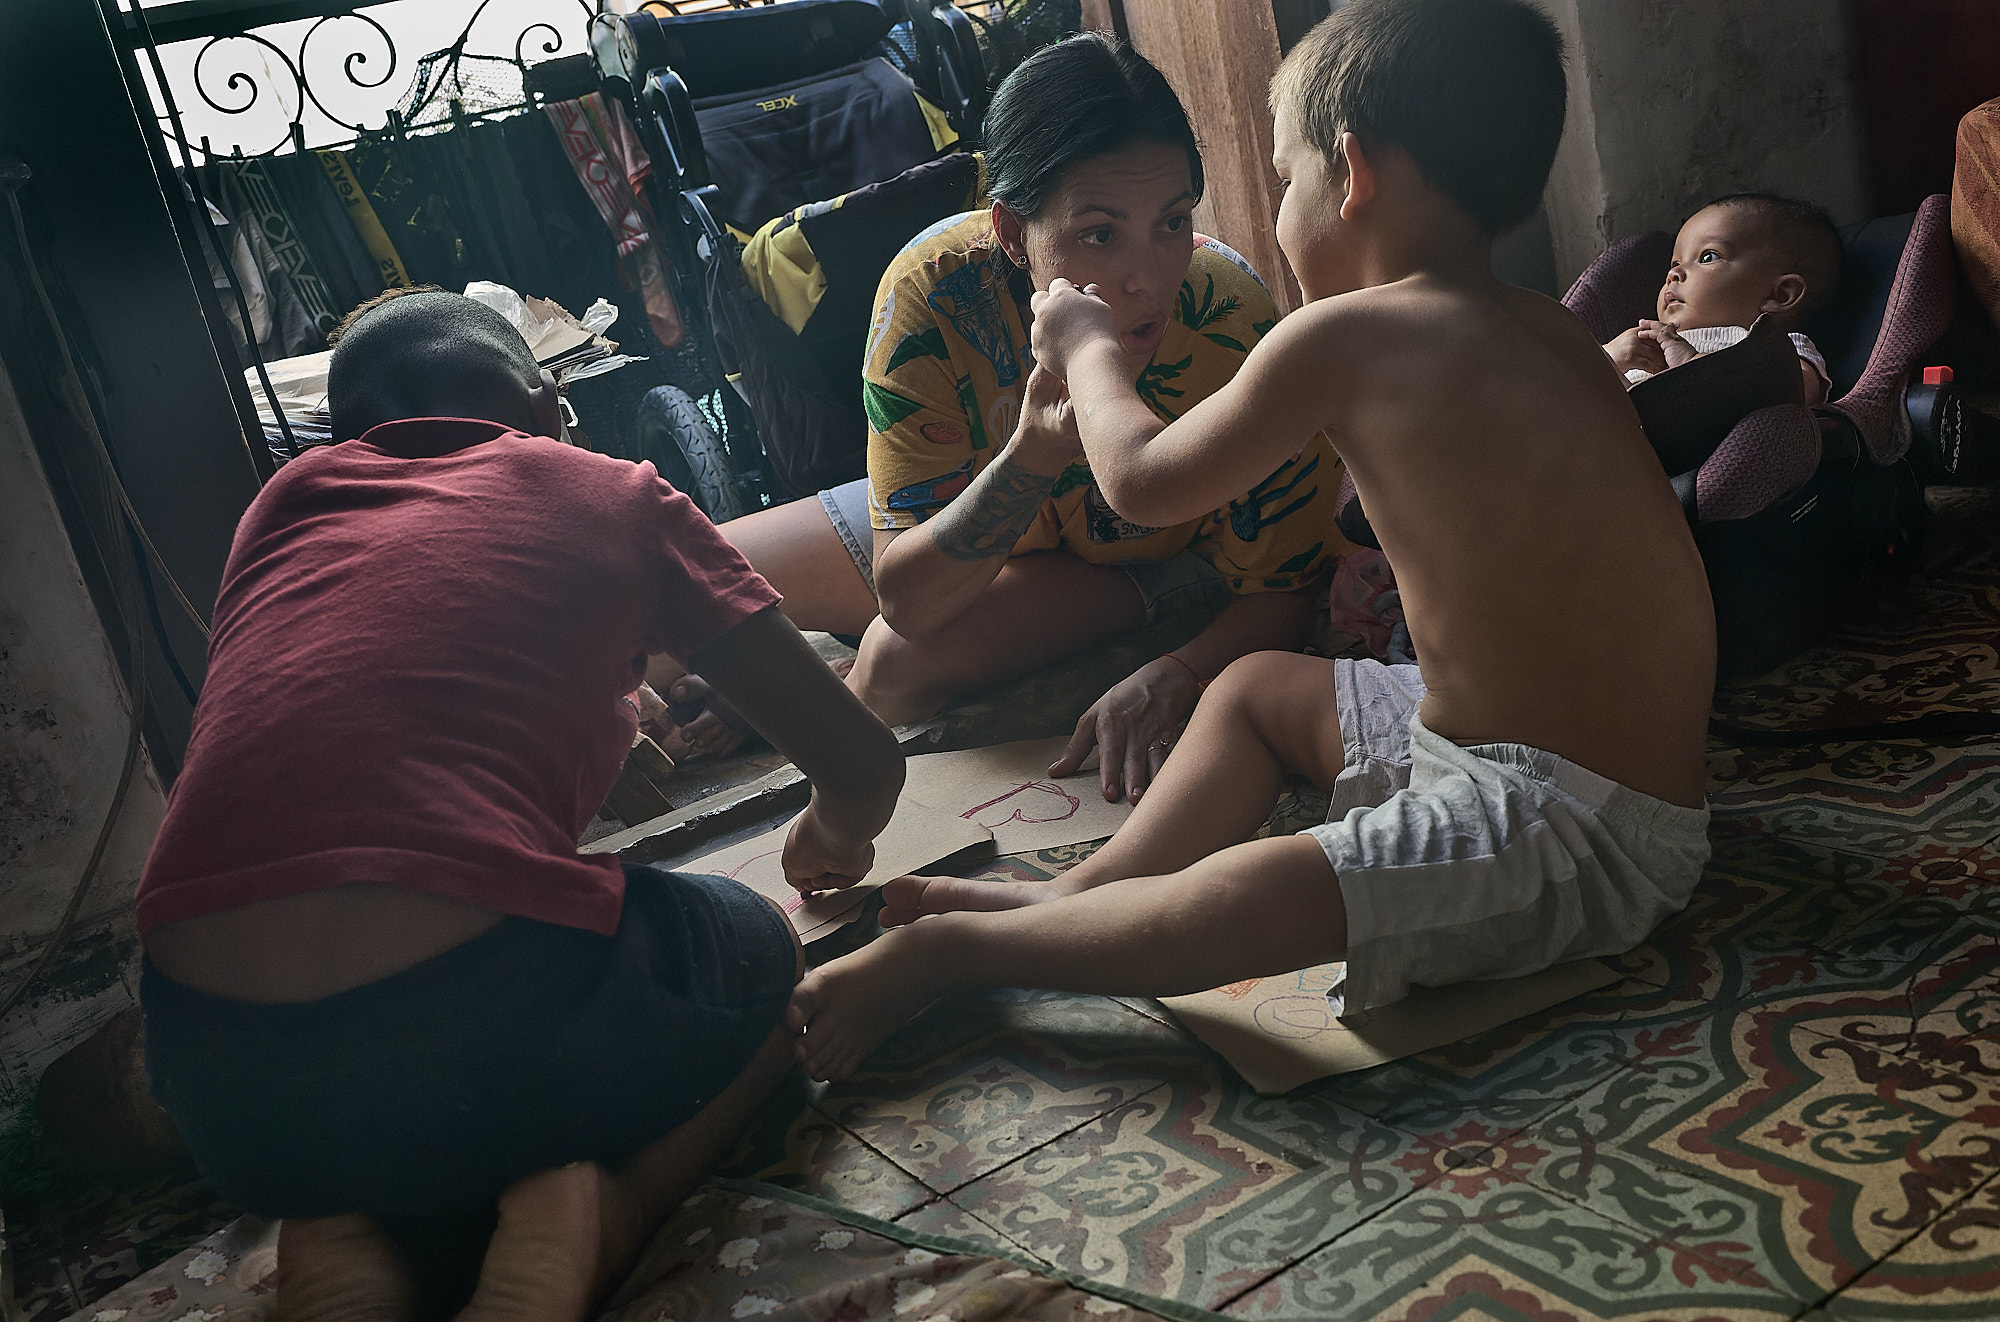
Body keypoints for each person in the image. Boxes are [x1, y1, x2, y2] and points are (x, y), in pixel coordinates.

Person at [786, 0, 1717, 1085]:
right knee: (1256, 686)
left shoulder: (1343, 334)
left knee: (1251, 893)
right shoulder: (1544, 322)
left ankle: (957, 952)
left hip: (1565, 827)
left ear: (1350, 174)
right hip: (1527, 752)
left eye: (1281, 179)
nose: (1268, 217)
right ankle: (1076, 898)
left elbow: (1138, 482)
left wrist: (1086, 350)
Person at [136, 289, 904, 1320]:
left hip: (220, 1090)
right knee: (757, 953)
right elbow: (863, 765)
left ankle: (349, 1230)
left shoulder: (285, 505)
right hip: (479, 1027)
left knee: (413, 1096)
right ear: (554, 408)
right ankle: (608, 1212)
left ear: (344, 434)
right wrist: (831, 825)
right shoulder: (613, 492)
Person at [655, 33, 1353, 805]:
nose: (1146, 276)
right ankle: (751, 698)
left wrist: (1180, 670)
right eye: (1099, 233)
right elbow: (909, 580)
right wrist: (1030, 455)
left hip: (1137, 559)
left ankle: (814, 756)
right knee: (681, 575)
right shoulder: (933, 295)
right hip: (982, 501)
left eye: (1173, 220)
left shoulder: (1229, 317)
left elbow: (1287, 585)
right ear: (1014, 234)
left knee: (893, 659)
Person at [1603, 193, 1842, 403]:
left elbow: (1792, 391)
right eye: (1675, 263)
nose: (1673, 274)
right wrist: (1610, 360)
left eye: (1708, 257)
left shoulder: (1780, 350)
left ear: (1780, 294)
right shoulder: (1651, 343)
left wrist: (1694, 363)